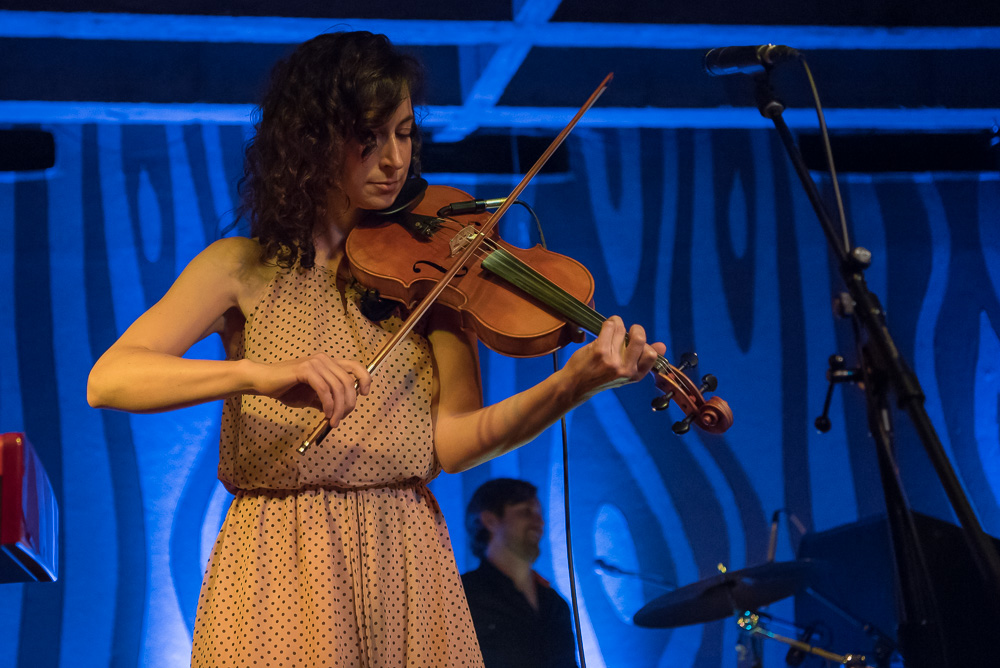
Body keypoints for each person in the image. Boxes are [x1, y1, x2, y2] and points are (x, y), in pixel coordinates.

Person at [87, 30, 664, 667]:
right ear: (313, 140)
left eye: (405, 133)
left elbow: (453, 441)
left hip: (407, 556)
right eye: (370, 136)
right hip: (280, 557)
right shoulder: (242, 268)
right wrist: (255, 375)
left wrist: (569, 386)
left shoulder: (436, 273)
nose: (394, 159)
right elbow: (111, 378)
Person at [462, 479, 578, 668]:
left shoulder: (555, 604)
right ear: (490, 520)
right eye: (526, 512)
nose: (539, 522)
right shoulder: (463, 596)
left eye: (540, 514)